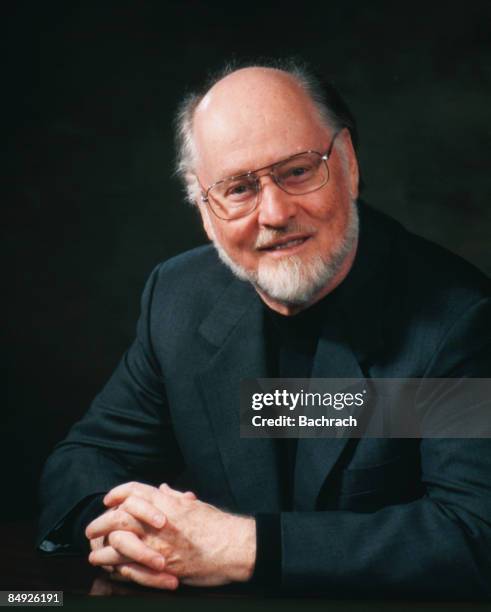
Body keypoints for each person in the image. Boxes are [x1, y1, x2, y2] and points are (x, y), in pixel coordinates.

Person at [37, 61, 491, 598]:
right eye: (239, 188)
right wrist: (125, 531)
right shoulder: (179, 297)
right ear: (205, 209)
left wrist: (240, 546)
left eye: (297, 171)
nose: (274, 213)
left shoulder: (458, 319)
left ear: (346, 162)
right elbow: (84, 460)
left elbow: (472, 534)